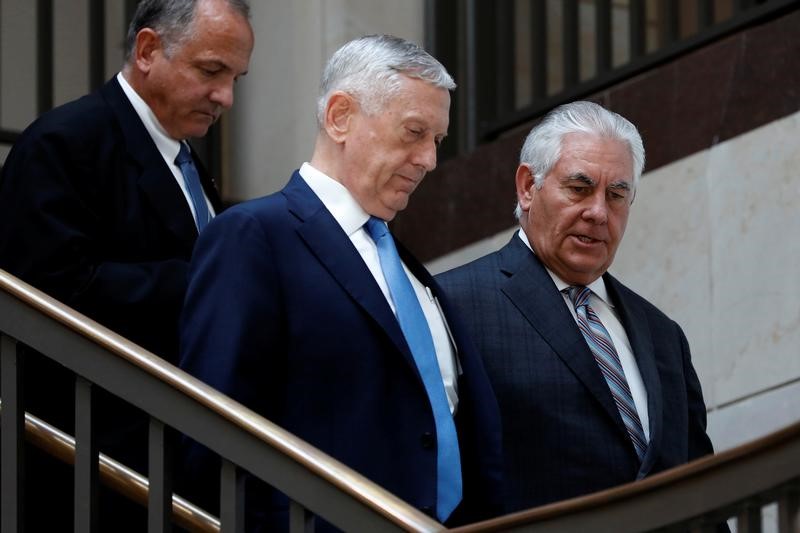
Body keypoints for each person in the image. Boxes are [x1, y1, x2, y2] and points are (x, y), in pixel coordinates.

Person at [179, 34, 503, 530]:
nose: (429, 160)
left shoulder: (407, 267)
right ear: (340, 117)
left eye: (436, 141)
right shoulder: (254, 236)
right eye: (413, 132)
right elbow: (214, 435)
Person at [0, 0, 253, 529]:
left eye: (235, 78)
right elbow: (49, 294)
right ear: (147, 50)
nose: (225, 97)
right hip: (92, 468)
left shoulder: (186, 163)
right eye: (211, 71)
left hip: (175, 461)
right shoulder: (65, 141)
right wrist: (214, 284)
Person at [437, 101, 717, 513]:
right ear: (527, 187)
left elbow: (700, 489)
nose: (599, 212)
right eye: (579, 188)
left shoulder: (663, 336)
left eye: (617, 195)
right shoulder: (454, 305)